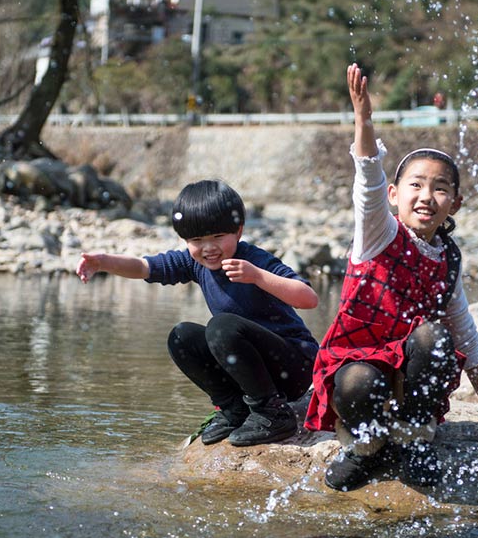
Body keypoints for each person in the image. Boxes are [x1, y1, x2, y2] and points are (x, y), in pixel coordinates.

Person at [305, 63, 478, 492]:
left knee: (433, 336)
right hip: (359, 368)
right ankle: (367, 448)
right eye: (416, 185)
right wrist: (364, 120)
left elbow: (466, 336)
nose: (427, 196)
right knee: (356, 379)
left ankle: (415, 439)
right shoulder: (378, 232)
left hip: (408, 381)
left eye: (440, 188)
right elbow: (367, 177)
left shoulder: (449, 260)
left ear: (455, 204)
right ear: (394, 195)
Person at [76, 179, 320, 447]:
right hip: (254, 372)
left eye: (218, 237)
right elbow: (144, 267)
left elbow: (308, 298)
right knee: (181, 336)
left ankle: (272, 414)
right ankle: (234, 407)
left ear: (238, 231)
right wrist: (103, 262)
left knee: (221, 327)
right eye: (197, 240)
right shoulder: (194, 264)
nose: (208, 248)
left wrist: (258, 276)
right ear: (186, 240)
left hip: (295, 368)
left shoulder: (255, 261)